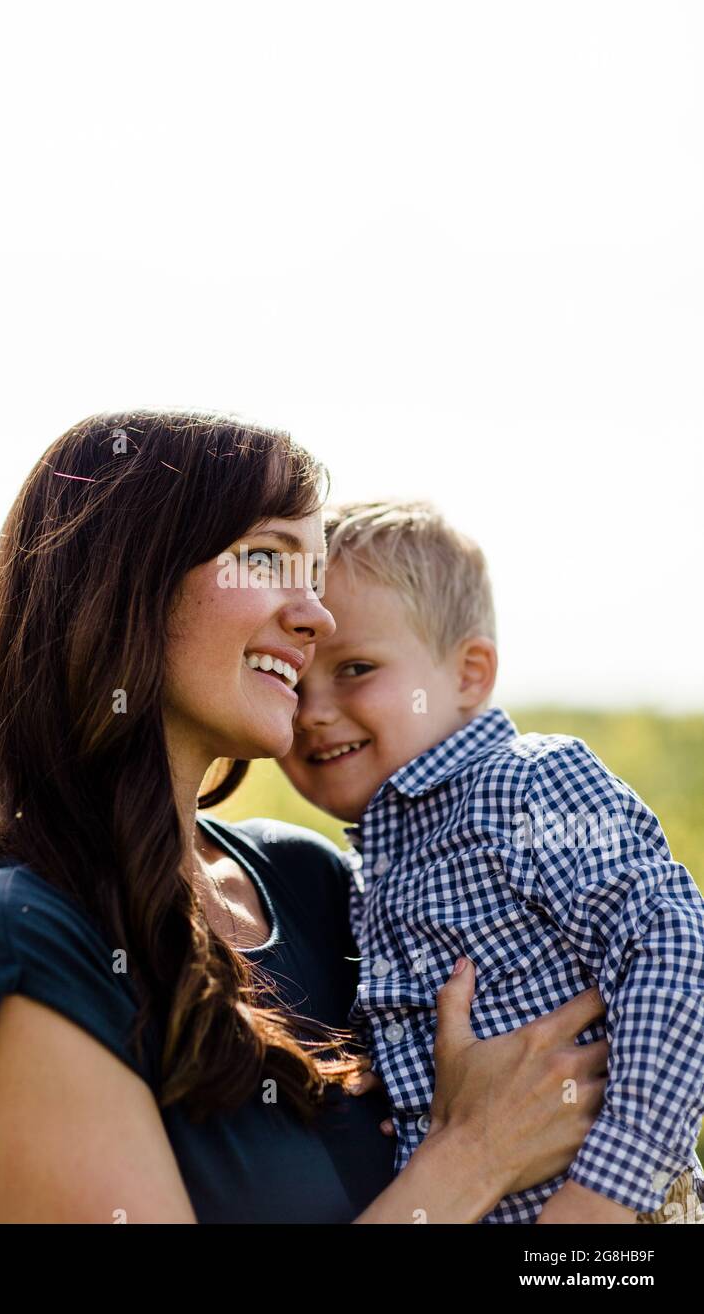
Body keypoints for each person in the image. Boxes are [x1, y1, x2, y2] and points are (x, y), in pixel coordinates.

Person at [0, 412, 609, 1224]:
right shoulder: (21, 940)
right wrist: (473, 1159)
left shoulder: (313, 880)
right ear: (133, 579)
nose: (317, 618)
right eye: (270, 559)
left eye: (314, 577)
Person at [276, 498, 704, 1224]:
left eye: (355, 668)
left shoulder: (527, 783)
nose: (314, 711)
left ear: (470, 674)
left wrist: (608, 1190)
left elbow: (676, 951)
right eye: (292, 684)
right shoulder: (370, 872)